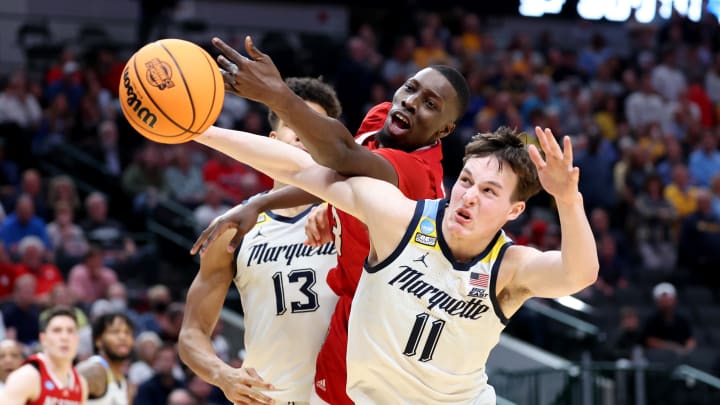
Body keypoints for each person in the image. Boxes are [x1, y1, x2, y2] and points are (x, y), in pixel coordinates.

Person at [191, 122, 598, 403]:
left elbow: (579, 273)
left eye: (490, 191)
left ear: (515, 211)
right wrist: (199, 131)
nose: (470, 195)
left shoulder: (509, 266)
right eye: (468, 181)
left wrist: (568, 198)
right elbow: (299, 167)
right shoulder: (399, 220)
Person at [193, 36, 469, 405]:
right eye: (411, 88)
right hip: (348, 311)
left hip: (386, 331)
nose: (410, 102)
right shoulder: (382, 118)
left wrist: (274, 95)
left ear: (443, 131)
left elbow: (337, 156)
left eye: (430, 105)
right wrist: (265, 203)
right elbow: (337, 177)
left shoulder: (419, 174)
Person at [179, 77, 342, 404]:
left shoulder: (352, 215)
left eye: (313, 125)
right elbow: (191, 333)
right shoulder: (232, 227)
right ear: (271, 139)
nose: (302, 131)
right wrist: (221, 374)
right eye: (292, 122)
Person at [0, 306, 88, 404]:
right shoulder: (26, 377)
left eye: (70, 331)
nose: (65, 337)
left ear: (77, 339)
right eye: (57, 330)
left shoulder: (81, 384)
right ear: (43, 339)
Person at [76, 312, 135, 405]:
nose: (122, 337)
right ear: (98, 341)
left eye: (127, 332)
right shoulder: (94, 370)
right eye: (115, 332)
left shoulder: (123, 382)